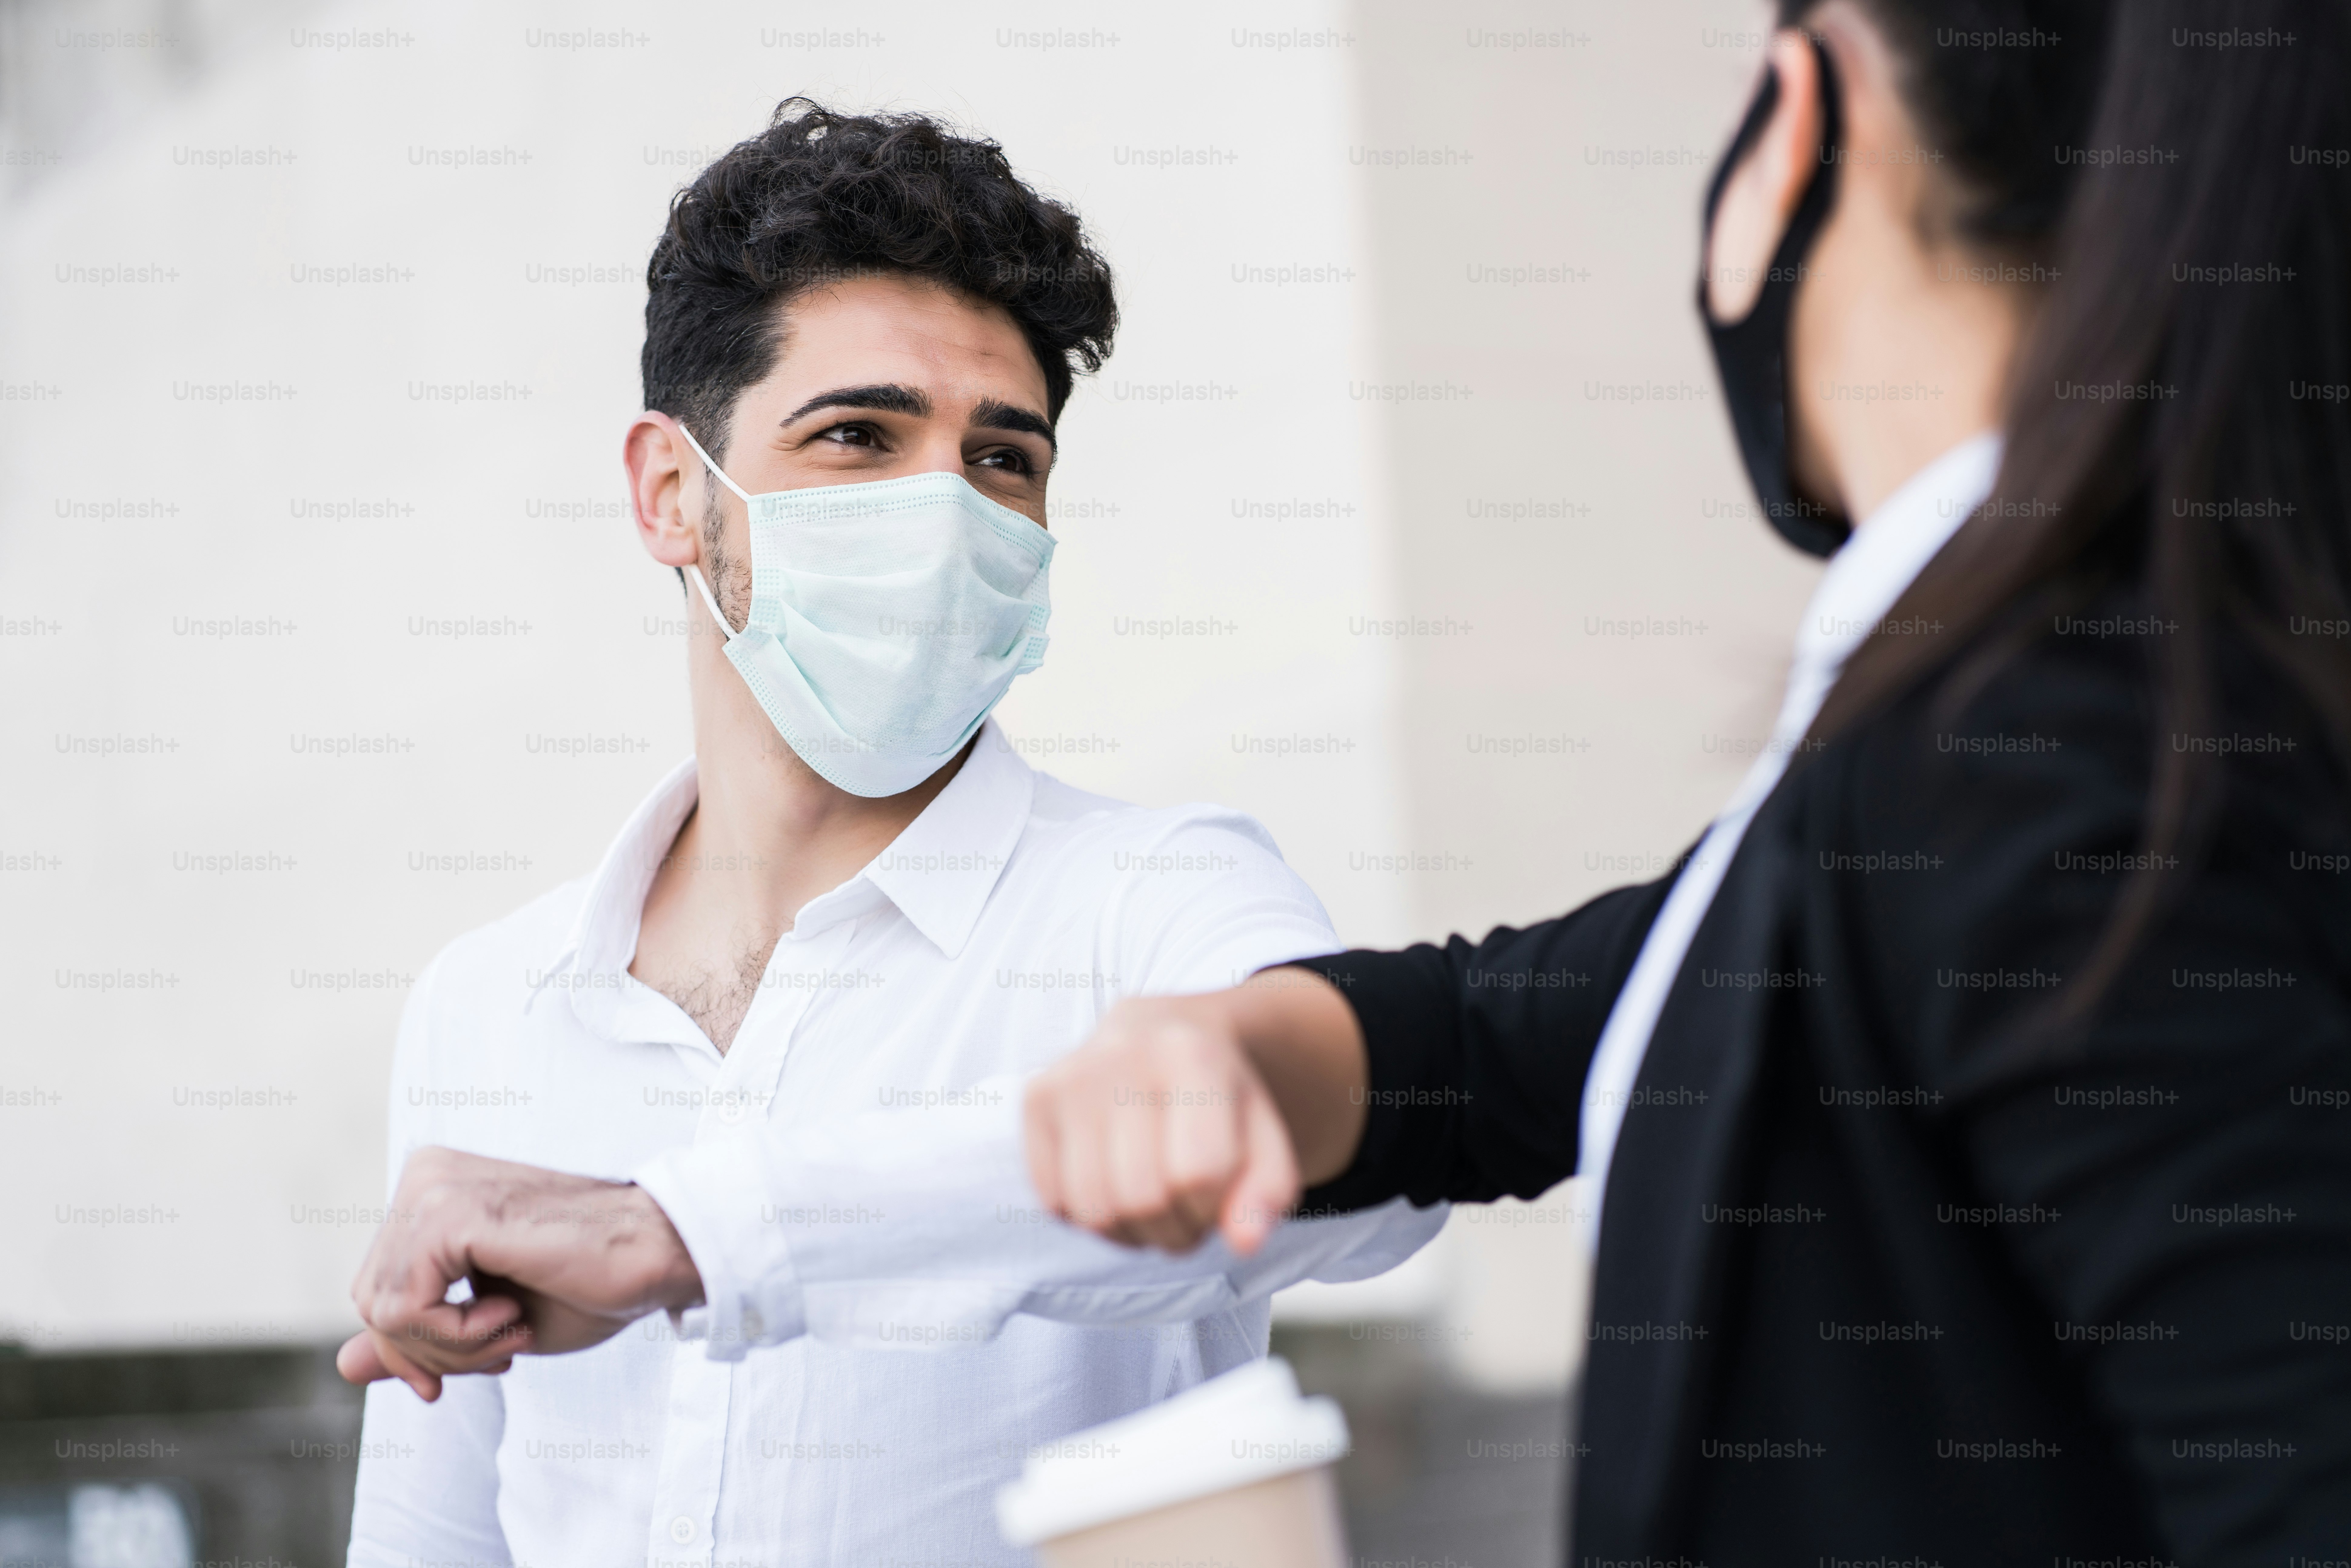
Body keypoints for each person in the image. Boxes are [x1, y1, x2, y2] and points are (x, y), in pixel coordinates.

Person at [1025, 0, 2351, 1563]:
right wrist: (1221, 1045)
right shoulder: (1998, 723)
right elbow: (1511, 1033)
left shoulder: (2034, 753)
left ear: (1803, 115)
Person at [338, 100, 1440, 1568]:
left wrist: (701, 1228)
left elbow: (1379, 1161)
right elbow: (428, 1536)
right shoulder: (487, 1003)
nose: (943, 511)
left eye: (1003, 459)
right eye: (857, 436)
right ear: (670, 493)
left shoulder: (1158, 897)